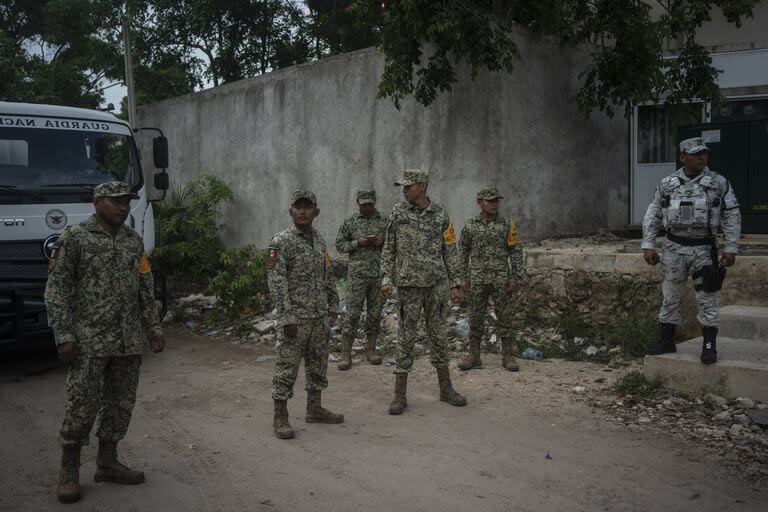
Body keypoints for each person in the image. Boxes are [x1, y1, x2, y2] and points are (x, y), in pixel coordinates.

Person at [45, 181, 165, 504]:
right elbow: (56, 289)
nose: (124, 208)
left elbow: (144, 286)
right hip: (89, 342)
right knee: (82, 406)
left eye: (127, 202)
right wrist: (64, 335)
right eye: (116, 202)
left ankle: (107, 462)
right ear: (97, 202)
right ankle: (69, 471)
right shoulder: (75, 238)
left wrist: (153, 327)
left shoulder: (133, 241)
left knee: (120, 405)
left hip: (127, 341)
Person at [642, 137, 741, 364]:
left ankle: (709, 346)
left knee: (707, 297)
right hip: (673, 248)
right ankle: (667, 341)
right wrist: (648, 244)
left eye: (704, 153)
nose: (701, 157)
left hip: (704, 249)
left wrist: (731, 246)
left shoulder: (718, 182)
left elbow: (732, 213)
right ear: (683, 157)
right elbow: (654, 213)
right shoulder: (667, 183)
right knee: (670, 296)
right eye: (696, 154)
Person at [380, 169, 467, 414]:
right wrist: (386, 279)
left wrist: (455, 284)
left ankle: (446, 389)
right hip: (408, 287)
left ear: (423, 186)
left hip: (435, 287)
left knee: (439, 337)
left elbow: (450, 249)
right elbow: (389, 248)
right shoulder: (398, 213)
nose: (404, 190)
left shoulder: (440, 214)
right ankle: (399, 395)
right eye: (403, 186)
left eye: (409, 186)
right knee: (405, 339)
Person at [267, 189, 343, 439]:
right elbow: (277, 282)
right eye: (297, 206)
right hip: (295, 319)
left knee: (318, 365)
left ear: (316, 212)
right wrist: (286, 316)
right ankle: (281, 416)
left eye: (307, 206)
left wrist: (333, 305)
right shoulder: (282, 241)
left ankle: (315, 408)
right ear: (290, 211)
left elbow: (327, 274)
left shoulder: (319, 240)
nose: (302, 210)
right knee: (287, 368)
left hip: (318, 316)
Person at [457, 187, 524, 371]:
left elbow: (516, 250)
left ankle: (508, 356)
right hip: (477, 278)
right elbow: (462, 251)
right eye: (490, 200)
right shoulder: (470, 225)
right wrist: (462, 277)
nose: (494, 204)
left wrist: (517, 276)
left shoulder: (506, 224)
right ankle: (474, 355)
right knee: (476, 316)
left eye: (496, 200)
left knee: (505, 315)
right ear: (480, 202)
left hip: (501, 278)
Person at [334, 188, 388, 370]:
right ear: (357, 202)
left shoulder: (384, 221)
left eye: (370, 204)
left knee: (375, 314)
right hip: (357, 276)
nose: (367, 207)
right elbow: (339, 245)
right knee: (352, 315)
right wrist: (358, 243)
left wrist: (383, 242)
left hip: (378, 275)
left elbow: (393, 245)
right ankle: (346, 353)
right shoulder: (350, 222)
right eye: (363, 204)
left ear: (374, 202)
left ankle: (371, 349)